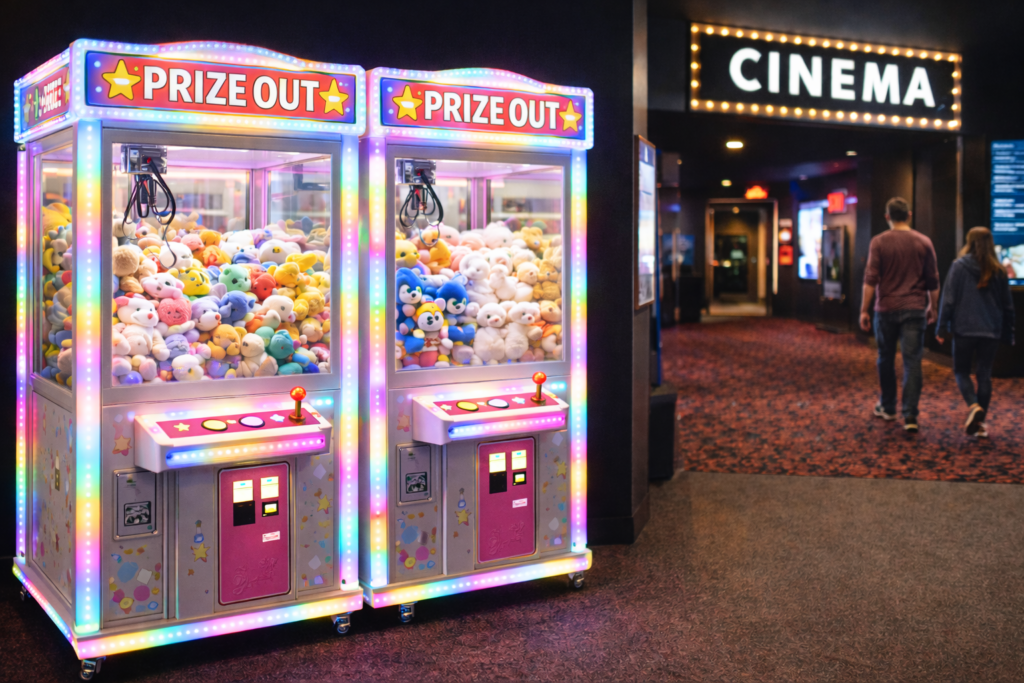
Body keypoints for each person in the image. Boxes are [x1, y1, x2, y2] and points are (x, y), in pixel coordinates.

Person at [859, 197, 940, 433]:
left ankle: (888, 407)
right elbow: (933, 280)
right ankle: (911, 415)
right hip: (914, 309)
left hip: (885, 309)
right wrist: (932, 306)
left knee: (885, 357)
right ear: (909, 215)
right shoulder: (923, 242)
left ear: (887, 217)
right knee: (912, 361)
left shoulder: (879, 242)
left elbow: (870, 279)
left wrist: (864, 309)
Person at [935, 227, 1015, 437]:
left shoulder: (958, 266)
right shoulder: (999, 270)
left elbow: (949, 299)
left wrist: (941, 326)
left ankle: (973, 406)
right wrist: (1009, 332)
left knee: (961, 371)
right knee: (984, 374)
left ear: (969, 243)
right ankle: (980, 424)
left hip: (965, 329)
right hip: (991, 329)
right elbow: (1008, 306)